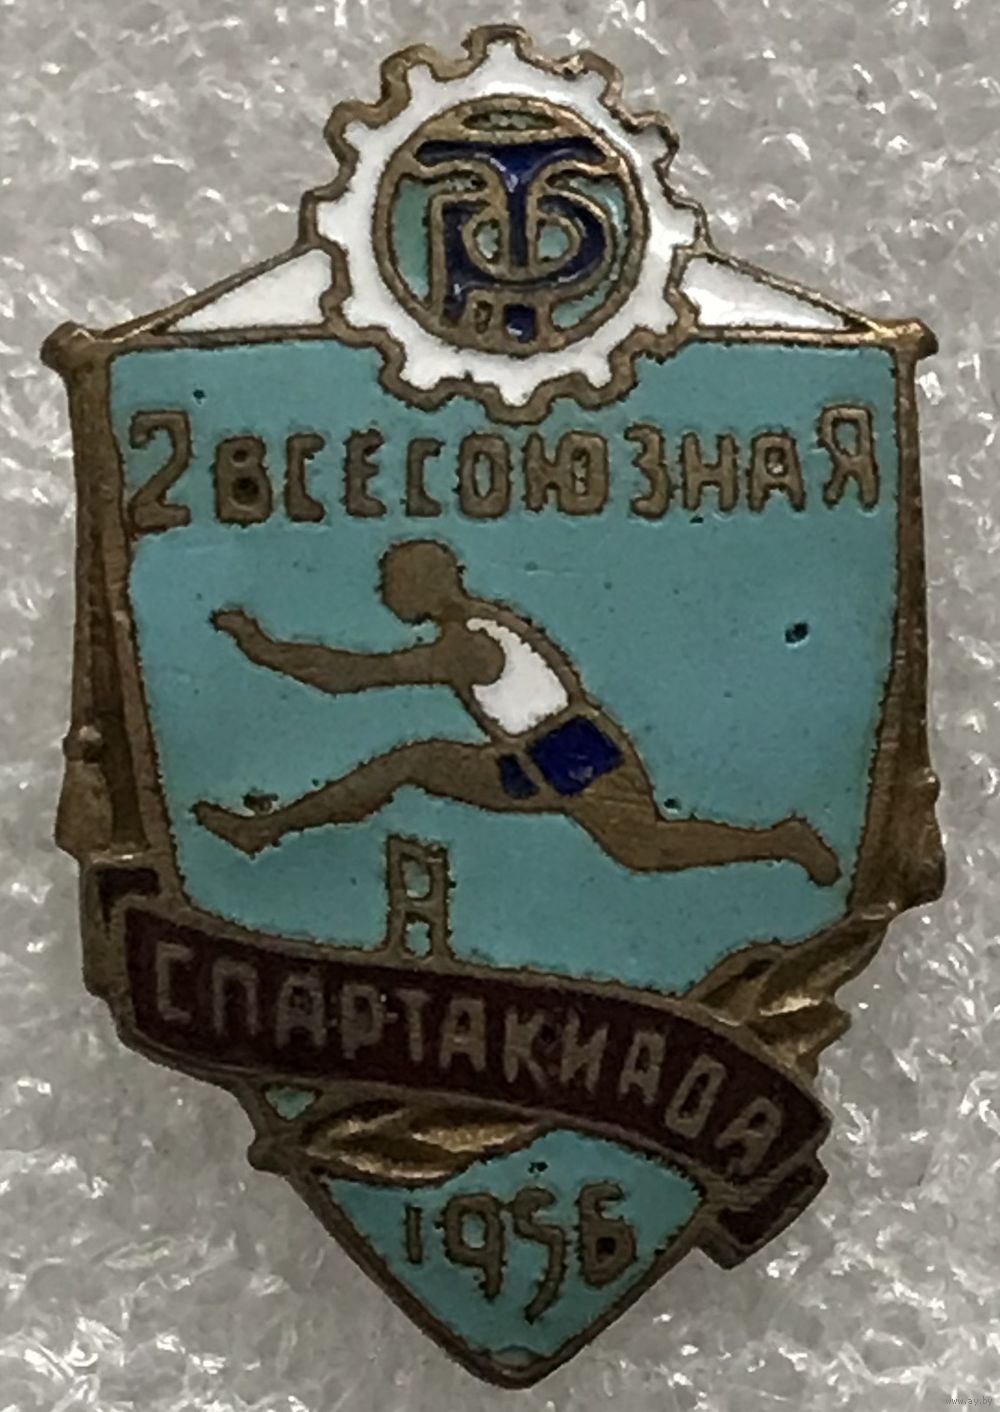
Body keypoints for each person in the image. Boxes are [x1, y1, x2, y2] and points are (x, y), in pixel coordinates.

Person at [194, 539, 839, 885]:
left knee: (647, 849)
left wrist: (263, 648)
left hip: (570, 753)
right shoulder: (477, 625)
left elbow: (357, 676)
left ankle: (781, 841)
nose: (384, 593)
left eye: (391, 582)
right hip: (538, 755)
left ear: (423, 584)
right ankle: (266, 830)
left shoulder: (467, 644)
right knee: (413, 762)